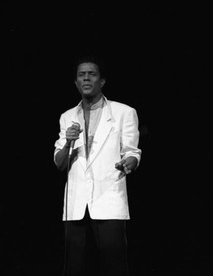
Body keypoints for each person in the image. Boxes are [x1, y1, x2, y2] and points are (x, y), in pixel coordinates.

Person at [54, 55, 142, 276]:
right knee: (73, 267)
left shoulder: (124, 112)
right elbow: (59, 162)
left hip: (108, 197)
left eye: (91, 74)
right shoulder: (66, 117)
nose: (86, 79)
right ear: (75, 82)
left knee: (114, 266)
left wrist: (129, 163)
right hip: (76, 204)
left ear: (102, 81)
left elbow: (132, 152)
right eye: (81, 75)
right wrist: (68, 143)